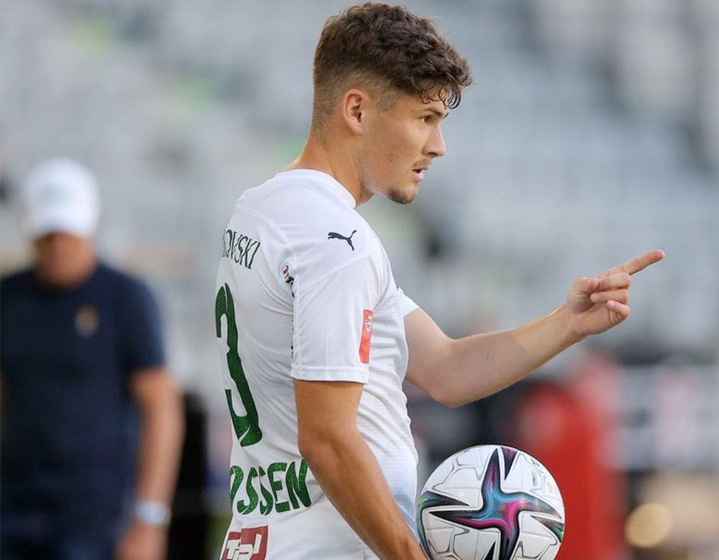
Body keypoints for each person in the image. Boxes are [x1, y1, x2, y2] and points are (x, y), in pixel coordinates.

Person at [214, 3, 664, 559]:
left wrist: (567, 324)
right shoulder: (338, 245)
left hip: (260, 538)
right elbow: (328, 441)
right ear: (357, 109)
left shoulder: (262, 210)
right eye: (424, 118)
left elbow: (444, 369)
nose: (438, 145)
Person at [0, 158, 185, 560]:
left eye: (67, 232)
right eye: (47, 234)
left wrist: (149, 517)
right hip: (13, 510)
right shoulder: (8, 299)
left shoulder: (125, 298)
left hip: (98, 518)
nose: (58, 245)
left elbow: (161, 409)